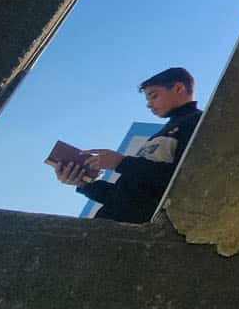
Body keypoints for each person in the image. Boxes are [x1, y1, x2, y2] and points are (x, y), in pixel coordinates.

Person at [52, 67, 202, 224]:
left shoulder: (197, 123)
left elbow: (185, 182)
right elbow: (126, 197)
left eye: (153, 96)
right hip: (111, 228)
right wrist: (83, 183)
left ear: (179, 88)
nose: (149, 105)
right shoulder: (162, 133)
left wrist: (120, 162)